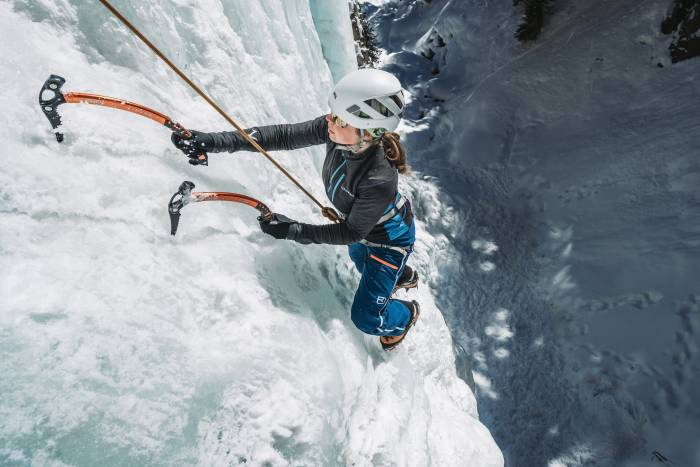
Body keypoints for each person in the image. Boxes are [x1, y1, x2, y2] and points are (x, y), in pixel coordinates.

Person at [171, 68, 419, 350]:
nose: (330, 120)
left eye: (340, 118)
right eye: (332, 112)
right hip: (362, 226)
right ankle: (401, 276)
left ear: (367, 132)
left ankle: (406, 314)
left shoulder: (379, 179)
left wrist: (293, 230)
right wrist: (211, 142)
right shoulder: (335, 133)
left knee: (366, 317)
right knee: (362, 262)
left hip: (388, 243)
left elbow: (350, 232)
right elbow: (282, 136)